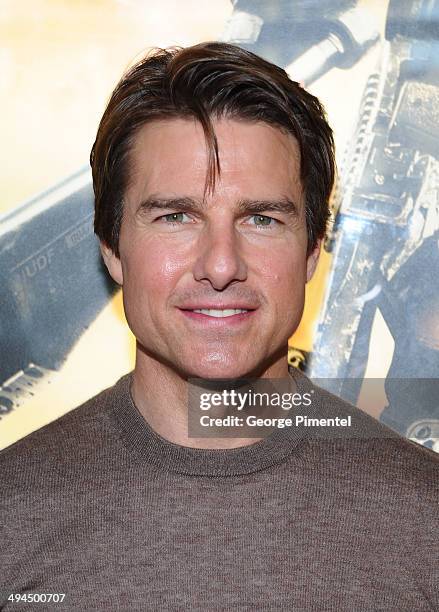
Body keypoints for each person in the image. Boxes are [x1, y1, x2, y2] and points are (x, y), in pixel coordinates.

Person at [1, 42, 438, 611]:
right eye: (176, 216)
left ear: (312, 252)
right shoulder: (13, 516)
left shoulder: (425, 523)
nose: (221, 265)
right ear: (111, 246)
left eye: (261, 219)